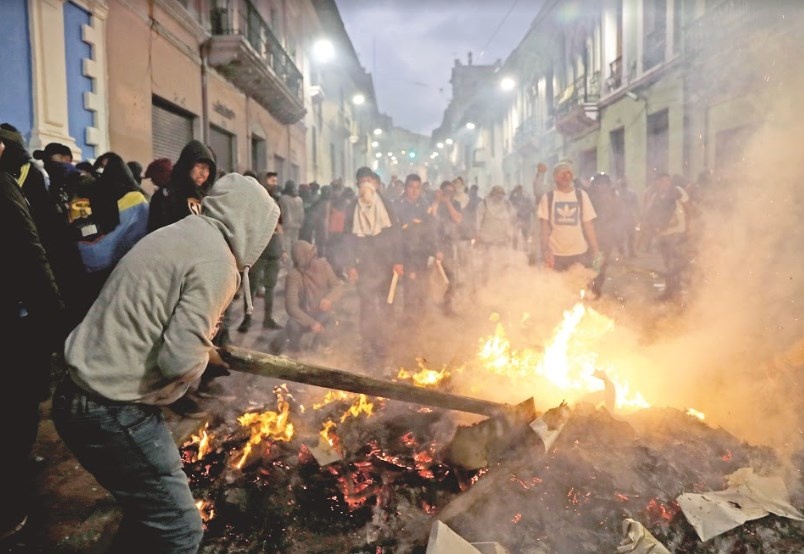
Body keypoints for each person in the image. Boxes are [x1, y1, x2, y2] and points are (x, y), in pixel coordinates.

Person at [52, 173, 279, 553]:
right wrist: (200, 361)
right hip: (112, 408)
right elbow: (177, 360)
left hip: (80, 392)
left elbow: (162, 320)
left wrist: (204, 352)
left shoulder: (183, 233)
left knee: (148, 516)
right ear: (250, 223)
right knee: (180, 530)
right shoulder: (217, 261)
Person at [0, 153, 65, 542]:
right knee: (15, 409)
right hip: (12, 320)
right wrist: (54, 314)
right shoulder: (5, 185)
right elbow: (30, 250)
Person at [345, 167, 403, 365]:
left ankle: (383, 343)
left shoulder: (387, 204)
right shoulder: (352, 207)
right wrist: (351, 264)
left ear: (376, 184)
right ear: (358, 185)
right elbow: (348, 239)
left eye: (369, 180)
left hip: (386, 264)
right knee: (368, 308)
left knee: (387, 305)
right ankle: (368, 346)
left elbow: (396, 235)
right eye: (362, 181)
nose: (366, 185)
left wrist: (398, 261)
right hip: (365, 266)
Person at [274, 240, 344, 353]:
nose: (314, 260)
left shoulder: (324, 265)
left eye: (314, 256)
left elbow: (337, 287)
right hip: (304, 317)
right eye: (311, 258)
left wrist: (329, 299)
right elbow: (291, 307)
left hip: (322, 313)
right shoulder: (294, 276)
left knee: (332, 320)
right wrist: (311, 323)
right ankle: (295, 350)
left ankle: (322, 346)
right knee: (292, 325)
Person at [237, 171, 284, 333]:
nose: (274, 183)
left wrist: (282, 248)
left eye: (275, 180)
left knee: (270, 286)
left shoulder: (277, 201)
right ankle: (247, 319)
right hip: (258, 251)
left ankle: (268, 318)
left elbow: (280, 226)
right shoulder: (253, 201)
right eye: (271, 180)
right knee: (251, 287)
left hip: (274, 250)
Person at [537, 161, 600, 271]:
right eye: (562, 173)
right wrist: (545, 250)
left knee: (578, 285)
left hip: (579, 253)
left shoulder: (581, 196)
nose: (566, 176)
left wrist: (595, 250)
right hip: (555, 255)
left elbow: (588, 225)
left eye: (569, 173)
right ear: (555, 177)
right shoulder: (547, 198)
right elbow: (544, 228)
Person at [147, 140, 217, 232]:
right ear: (188, 165)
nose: (204, 174)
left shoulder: (207, 198)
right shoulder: (166, 196)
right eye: (200, 167)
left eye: (208, 169)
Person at [394, 174, 435, 318]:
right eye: (411, 187)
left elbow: (431, 228)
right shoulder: (397, 205)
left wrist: (434, 251)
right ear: (406, 188)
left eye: (417, 188)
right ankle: (410, 322)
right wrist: (397, 259)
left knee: (423, 289)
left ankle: (422, 321)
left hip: (422, 253)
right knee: (410, 289)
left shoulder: (425, 205)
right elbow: (395, 234)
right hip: (407, 254)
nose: (414, 191)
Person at [643, 172, 690, 300]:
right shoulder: (655, 196)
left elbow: (688, 208)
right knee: (668, 263)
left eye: (667, 181)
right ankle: (671, 290)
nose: (665, 183)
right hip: (663, 234)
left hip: (677, 232)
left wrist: (689, 228)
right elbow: (649, 215)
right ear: (657, 182)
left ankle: (675, 291)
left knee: (673, 263)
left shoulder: (677, 191)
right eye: (662, 181)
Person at [432, 180, 462, 315]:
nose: (448, 194)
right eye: (446, 191)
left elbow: (457, 219)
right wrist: (438, 201)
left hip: (449, 245)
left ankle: (447, 305)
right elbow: (430, 217)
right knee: (432, 278)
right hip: (434, 244)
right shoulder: (434, 202)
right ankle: (432, 306)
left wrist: (448, 202)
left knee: (451, 277)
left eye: (451, 192)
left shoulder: (456, 204)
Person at [476, 185, 515, 286]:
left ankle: (501, 285)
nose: (499, 198)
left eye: (501, 195)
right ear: (492, 194)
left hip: (502, 240)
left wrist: (510, 234)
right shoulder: (483, 204)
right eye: (497, 195)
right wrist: (478, 235)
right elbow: (478, 221)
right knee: (488, 265)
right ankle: (486, 285)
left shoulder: (506, 205)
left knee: (502, 264)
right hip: (487, 241)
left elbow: (510, 220)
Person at [279, 180, 304, 257]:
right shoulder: (299, 200)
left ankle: (289, 264)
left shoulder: (283, 199)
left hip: (286, 226)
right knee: (294, 246)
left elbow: (282, 213)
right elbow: (302, 214)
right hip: (296, 226)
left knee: (286, 247)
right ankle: (294, 262)